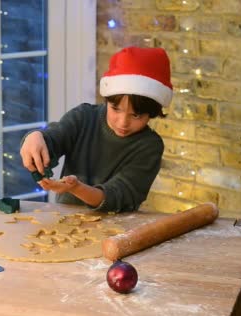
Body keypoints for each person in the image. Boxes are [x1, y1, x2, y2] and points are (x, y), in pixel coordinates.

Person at [20, 46, 173, 212]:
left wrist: (76, 188)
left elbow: (119, 195)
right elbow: (53, 138)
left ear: (152, 113)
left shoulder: (149, 146)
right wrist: (35, 137)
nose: (123, 123)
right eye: (116, 109)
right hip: (65, 219)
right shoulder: (84, 117)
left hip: (118, 229)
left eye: (136, 116)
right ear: (107, 99)